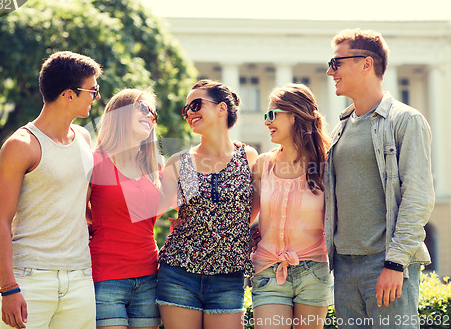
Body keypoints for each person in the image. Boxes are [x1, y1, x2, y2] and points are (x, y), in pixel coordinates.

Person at [325, 29, 434, 328]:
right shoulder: (340, 129)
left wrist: (395, 262)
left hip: (385, 263)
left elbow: (418, 196)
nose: (329, 71)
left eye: (336, 62)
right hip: (345, 268)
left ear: (366, 63)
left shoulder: (405, 120)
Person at [0, 51, 102, 329]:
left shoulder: (85, 139)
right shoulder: (21, 145)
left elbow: (81, 203)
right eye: (93, 90)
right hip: (29, 279)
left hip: (79, 277)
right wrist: (9, 288)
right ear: (69, 95)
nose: (96, 97)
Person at [156, 79, 258, 329]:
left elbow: (253, 209)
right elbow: (152, 211)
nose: (190, 112)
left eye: (196, 104)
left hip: (228, 277)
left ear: (222, 108)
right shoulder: (178, 162)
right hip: (179, 273)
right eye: (186, 109)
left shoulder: (249, 157)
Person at [250, 84, 333, 329]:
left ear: (294, 115)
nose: (267, 122)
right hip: (268, 270)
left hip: (314, 272)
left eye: (271, 114)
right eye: (265, 115)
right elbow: (244, 216)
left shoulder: (327, 164)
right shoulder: (264, 164)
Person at [88, 88, 162, 329]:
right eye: (143, 108)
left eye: (153, 113)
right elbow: (75, 216)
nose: (150, 116)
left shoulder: (155, 168)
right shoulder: (95, 161)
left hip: (150, 278)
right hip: (107, 279)